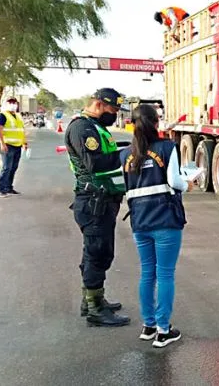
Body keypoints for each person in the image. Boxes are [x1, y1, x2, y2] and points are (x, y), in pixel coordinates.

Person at [120, 104, 192, 348]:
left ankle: (149, 326)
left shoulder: (126, 154)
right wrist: (188, 183)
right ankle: (163, 330)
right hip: (165, 220)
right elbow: (175, 181)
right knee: (165, 274)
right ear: (155, 122)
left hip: (140, 221)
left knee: (147, 273)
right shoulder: (167, 148)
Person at [64, 88, 131, 327]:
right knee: (97, 253)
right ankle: (94, 309)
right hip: (93, 201)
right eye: (113, 110)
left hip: (102, 200)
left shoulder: (96, 128)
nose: (115, 115)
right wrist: (127, 154)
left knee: (97, 251)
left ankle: (93, 300)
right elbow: (94, 162)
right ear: (100, 105)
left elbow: (106, 152)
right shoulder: (83, 129)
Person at [0, 97, 28, 198]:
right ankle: (1, 189)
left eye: (14, 102)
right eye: (10, 102)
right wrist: (2, 143)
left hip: (17, 145)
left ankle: (9, 187)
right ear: (5, 104)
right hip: (7, 145)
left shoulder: (18, 116)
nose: (13, 104)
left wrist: (24, 142)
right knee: (6, 167)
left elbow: (21, 130)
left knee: (13, 167)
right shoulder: (2, 115)